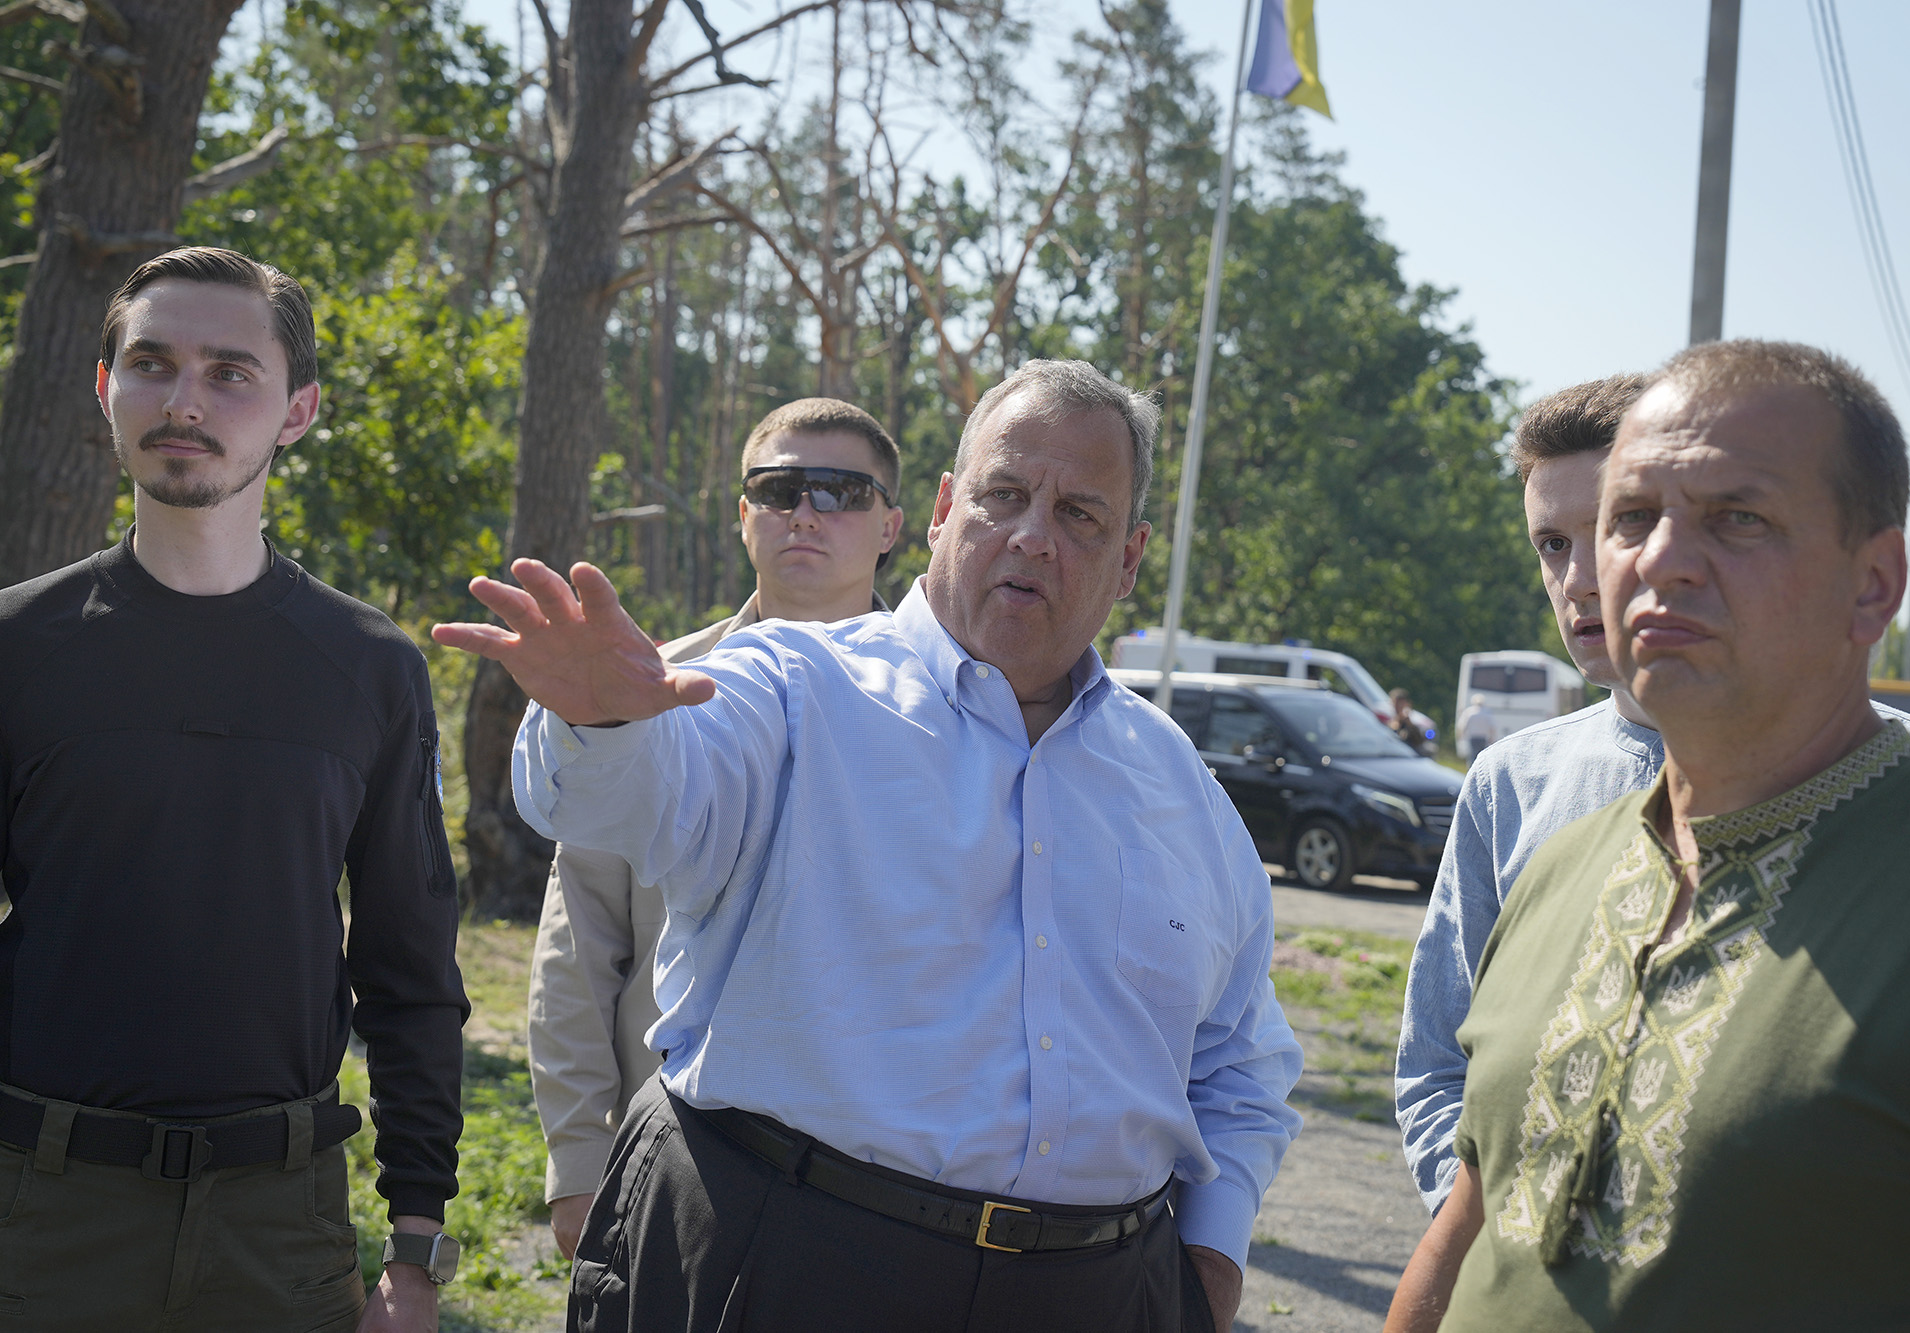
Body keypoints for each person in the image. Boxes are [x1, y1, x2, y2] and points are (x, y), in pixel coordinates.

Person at [436, 359, 1302, 1333]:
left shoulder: (1175, 782)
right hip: (786, 1264)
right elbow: (632, 798)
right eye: (1004, 494)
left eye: (1078, 515)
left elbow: (1239, 1053)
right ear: (940, 511)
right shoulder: (787, 686)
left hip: (1097, 1292)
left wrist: (1209, 1258)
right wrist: (597, 725)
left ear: (1131, 557)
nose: (1030, 536)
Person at [1385, 340, 1910, 1331]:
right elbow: (1468, 1217)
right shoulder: (1556, 861)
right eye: (1628, 519)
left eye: (1736, 519)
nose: (1648, 560)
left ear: (1874, 583)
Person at [0, 247, 468, 1331]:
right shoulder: (18, 647)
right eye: (154, 364)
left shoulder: (369, 664)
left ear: (297, 410)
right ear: (107, 389)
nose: (185, 399)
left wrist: (414, 1249)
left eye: (230, 372)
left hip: (281, 1225)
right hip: (41, 1211)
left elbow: (408, 970)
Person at [530, 398, 904, 1260]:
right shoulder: (642, 693)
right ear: (743, 516)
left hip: (885, 1188)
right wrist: (581, 1165)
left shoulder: (958, 710)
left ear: (890, 524)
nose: (805, 512)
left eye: (842, 491)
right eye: (778, 488)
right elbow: (578, 946)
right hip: (671, 1163)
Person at [1455, 694, 1497, 760]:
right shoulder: (1487, 712)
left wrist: (1461, 736)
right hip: (1483, 738)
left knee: (1473, 755)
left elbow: (1462, 725)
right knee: (1482, 755)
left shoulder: (1469, 711)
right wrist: (1492, 738)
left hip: (1473, 738)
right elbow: (1492, 727)